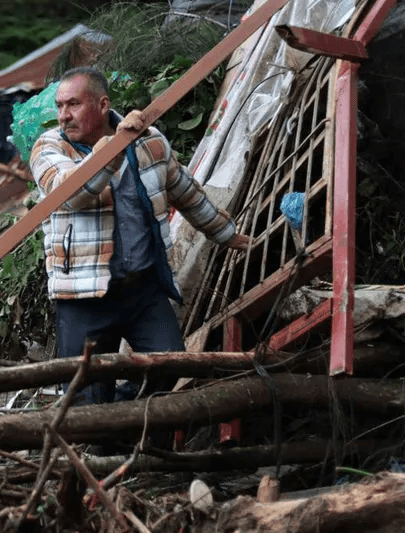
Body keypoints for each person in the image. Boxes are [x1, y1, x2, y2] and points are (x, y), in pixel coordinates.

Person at [30, 66, 250, 406]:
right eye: (60, 106)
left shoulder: (148, 142)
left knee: (170, 363)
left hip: (141, 288)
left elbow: (187, 193)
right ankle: (103, 446)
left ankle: (126, 420)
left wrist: (228, 234)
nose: (63, 116)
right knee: (84, 395)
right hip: (83, 297)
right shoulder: (49, 149)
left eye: (73, 104)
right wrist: (112, 147)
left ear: (103, 105)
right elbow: (72, 194)